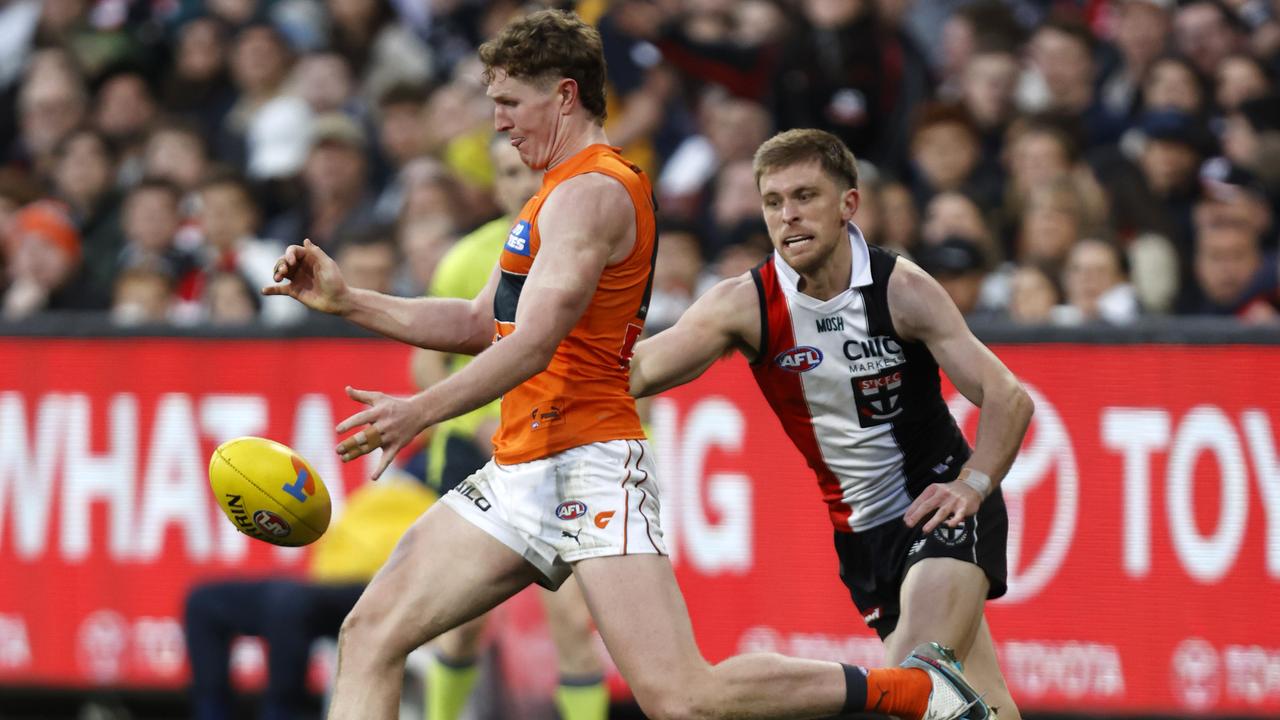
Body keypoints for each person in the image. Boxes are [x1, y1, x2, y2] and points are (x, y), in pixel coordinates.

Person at [264, 10, 991, 720]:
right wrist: (346, 298)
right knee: (370, 634)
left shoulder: (596, 192)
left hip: (589, 462)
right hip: (524, 464)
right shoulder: (550, 195)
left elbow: (534, 344)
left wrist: (420, 411)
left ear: (564, 95)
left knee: (683, 698)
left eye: (509, 102)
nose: (498, 122)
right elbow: (480, 323)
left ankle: (914, 691)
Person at [628, 128, 1034, 719]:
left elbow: (1007, 396)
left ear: (849, 204)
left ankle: (716, 695)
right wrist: (533, 354)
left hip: (938, 508)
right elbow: (638, 371)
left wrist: (972, 483)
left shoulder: (903, 288)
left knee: (915, 687)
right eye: (773, 203)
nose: (788, 216)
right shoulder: (744, 304)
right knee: (981, 709)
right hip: (863, 541)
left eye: (804, 196)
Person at [415, 133, 608, 720]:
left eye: (528, 170)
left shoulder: (591, 247)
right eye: (505, 174)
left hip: (563, 453)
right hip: (479, 458)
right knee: (462, 625)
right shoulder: (467, 258)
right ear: (493, 185)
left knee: (573, 622)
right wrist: (474, 421)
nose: (520, 184)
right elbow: (428, 359)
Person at [184, 477, 435, 720]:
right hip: (328, 578)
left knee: (289, 604)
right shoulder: (403, 464)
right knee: (203, 602)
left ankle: (281, 714)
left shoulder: (454, 476)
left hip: (382, 585)